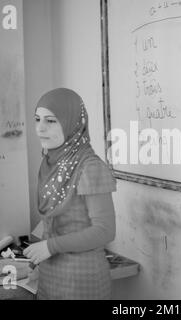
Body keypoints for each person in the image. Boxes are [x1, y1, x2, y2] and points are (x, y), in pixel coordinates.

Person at [23, 88, 117, 299]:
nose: (40, 129)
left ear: (72, 123)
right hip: (48, 274)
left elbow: (105, 231)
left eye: (51, 121)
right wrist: (36, 251)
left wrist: (50, 246)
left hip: (80, 280)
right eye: (37, 119)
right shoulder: (52, 163)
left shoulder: (90, 167)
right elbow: (53, 218)